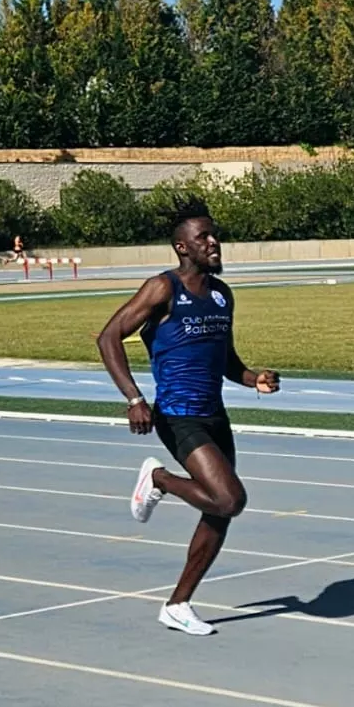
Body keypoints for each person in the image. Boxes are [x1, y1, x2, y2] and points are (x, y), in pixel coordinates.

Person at [97, 197, 280, 636]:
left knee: (220, 512)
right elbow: (108, 337)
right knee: (230, 499)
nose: (215, 243)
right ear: (182, 247)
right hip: (178, 416)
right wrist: (134, 399)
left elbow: (226, 360)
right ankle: (158, 479)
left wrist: (254, 377)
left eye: (215, 235)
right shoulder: (162, 288)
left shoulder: (222, 294)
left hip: (215, 415)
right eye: (205, 238)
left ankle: (178, 605)